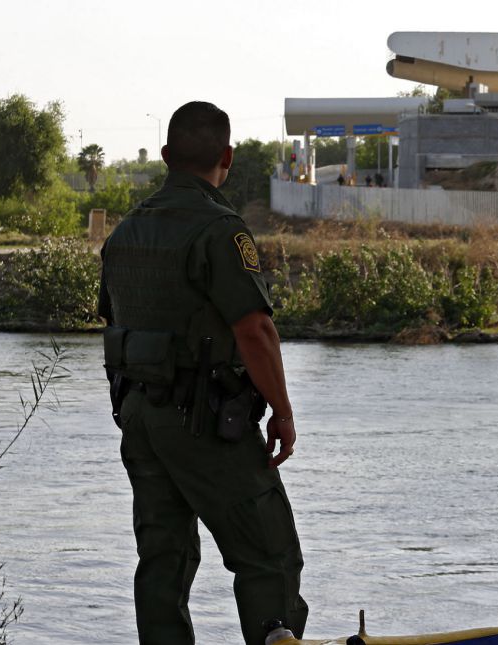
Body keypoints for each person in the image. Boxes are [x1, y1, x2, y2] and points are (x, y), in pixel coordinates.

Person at [99, 101, 308, 644]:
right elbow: (255, 331)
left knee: (163, 557)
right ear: (228, 158)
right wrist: (281, 412)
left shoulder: (125, 233)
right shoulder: (221, 230)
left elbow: (114, 320)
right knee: (269, 553)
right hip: (205, 419)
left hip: (140, 417)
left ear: (166, 156)